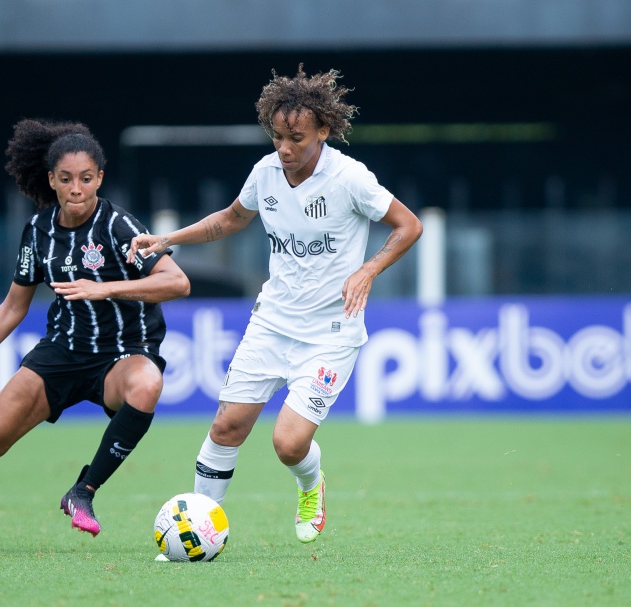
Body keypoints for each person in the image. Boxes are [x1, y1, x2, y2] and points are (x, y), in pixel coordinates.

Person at [128, 65, 423, 544]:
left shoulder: (350, 178)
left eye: (296, 138)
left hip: (330, 332)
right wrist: (167, 239)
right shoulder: (266, 173)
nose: (284, 148)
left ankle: (312, 484)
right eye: (277, 136)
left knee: (288, 444)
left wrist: (367, 270)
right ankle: (194, 531)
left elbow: (409, 225)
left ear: (324, 131)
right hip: (271, 323)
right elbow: (230, 219)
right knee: (227, 426)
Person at [0, 119, 190, 552]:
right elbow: (13, 306)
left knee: (147, 384)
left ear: (100, 177)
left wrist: (106, 288)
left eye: (85, 178)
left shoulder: (119, 226)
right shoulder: (39, 232)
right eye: (66, 179)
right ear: (51, 181)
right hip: (61, 354)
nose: (76, 188)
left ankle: (83, 491)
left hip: (123, 352)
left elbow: (177, 282)